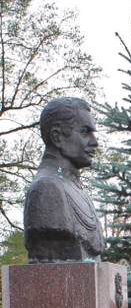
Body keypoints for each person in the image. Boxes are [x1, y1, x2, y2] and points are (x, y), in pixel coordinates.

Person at [24, 97, 104, 263]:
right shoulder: (46, 189)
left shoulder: (78, 191)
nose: (95, 142)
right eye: (85, 132)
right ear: (57, 137)